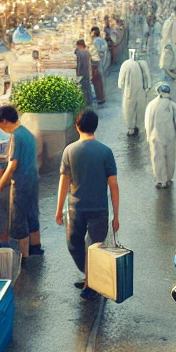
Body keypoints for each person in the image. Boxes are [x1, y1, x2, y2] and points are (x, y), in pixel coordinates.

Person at [56, 110, 118, 301]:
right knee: (95, 248)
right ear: (95, 126)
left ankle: (91, 282)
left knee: (74, 244)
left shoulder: (70, 150)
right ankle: (91, 277)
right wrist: (116, 215)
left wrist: (59, 210)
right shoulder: (106, 152)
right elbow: (113, 186)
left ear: (77, 126)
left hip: (75, 208)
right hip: (99, 209)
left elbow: (64, 183)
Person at [0, 105, 42, 258]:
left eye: (0, 125)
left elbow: (13, 164)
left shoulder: (16, 136)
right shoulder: (28, 134)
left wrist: (0, 184)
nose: (2, 129)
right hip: (33, 179)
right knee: (32, 214)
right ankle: (36, 249)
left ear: (5, 121)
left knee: (19, 219)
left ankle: (24, 257)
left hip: (21, 182)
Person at [144, 82, 176, 189]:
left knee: (157, 157)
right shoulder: (173, 105)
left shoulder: (151, 105)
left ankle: (160, 179)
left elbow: (148, 121)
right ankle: (168, 178)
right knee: (170, 156)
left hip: (155, 136)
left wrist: (148, 135)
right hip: (170, 135)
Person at [117, 48, 150, 137]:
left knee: (129, 109)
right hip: (140, 91)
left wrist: (120, 84)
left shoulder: (126, 64)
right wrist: (148, 87)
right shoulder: (142, 64)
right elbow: (148, 76)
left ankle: (131, 127)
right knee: (139, 109)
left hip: (129, 92)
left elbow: (121, 77)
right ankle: (137, 126)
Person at [74, 39, 94, 107]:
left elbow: (79, 63)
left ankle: (84, 103)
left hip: (82, 72)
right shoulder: (87, 52)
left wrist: (78, 73)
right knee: (88, 88)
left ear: (79, 45)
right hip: (87, 72)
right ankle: (89, 101)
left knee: (83, 88)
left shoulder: (79, 53)